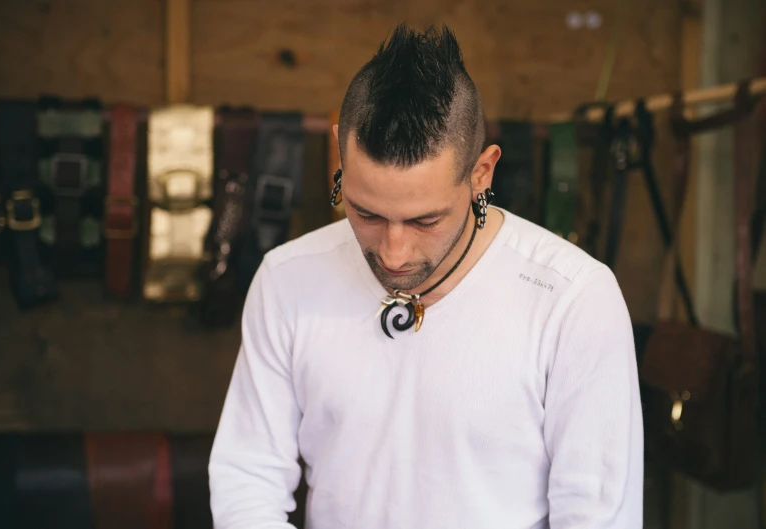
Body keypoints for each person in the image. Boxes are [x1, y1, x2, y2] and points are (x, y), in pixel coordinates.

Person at [209, 22, 643, 529]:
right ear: (340, 156)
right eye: (366, 212)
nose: (394, 253)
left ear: (482, 173)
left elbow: (597, 517)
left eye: (425, 220)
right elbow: (248, 478)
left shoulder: (573, 300)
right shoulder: (287, 279)